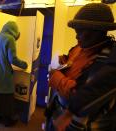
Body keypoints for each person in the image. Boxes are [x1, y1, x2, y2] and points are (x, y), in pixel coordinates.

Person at [47, 3, 116, 131]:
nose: (76, 37)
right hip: (57, 112)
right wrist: (65, 61)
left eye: (80, 32)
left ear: (98, 31)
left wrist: (57, 78)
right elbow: (73, 62)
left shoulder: (107, 59)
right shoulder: (80, 47)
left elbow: (83, 95)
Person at [0, 21, 28, 127]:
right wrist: (24, 65)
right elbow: (13, 59)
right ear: (14, 31)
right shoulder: (10, 39)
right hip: (2, 71)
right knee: (4, 96)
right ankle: (6, 120)